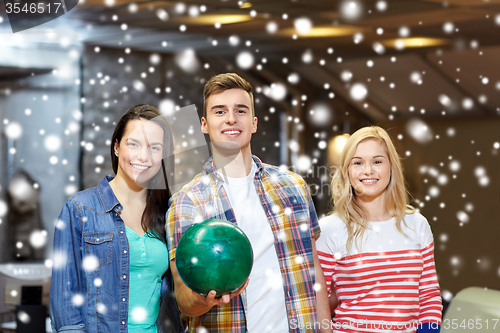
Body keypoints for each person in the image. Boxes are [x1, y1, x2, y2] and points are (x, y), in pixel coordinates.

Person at [166, 73, 332, 332]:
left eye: (240, 110)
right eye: (219, 111)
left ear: (253, 123)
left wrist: (326, 329)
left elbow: (313, 270)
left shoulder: (293, 186)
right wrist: (203, 298)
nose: (231, 118)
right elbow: (182, 298)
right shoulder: (187, 201)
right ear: (204, 124)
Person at [49, 105, 182, 333]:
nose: (143, 156)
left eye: (154, 147)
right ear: (117, 147)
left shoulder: (170, 212)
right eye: (134, 143)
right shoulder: (80, 209)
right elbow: (65, 303)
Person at [317, 126, 442, 332]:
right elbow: (318, 300)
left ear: (391, 167)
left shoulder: (417, 224)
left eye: (377, 161)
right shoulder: (330, 229)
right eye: (357, 163)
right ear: (347, 171)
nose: (368, 171)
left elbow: (428, 294)